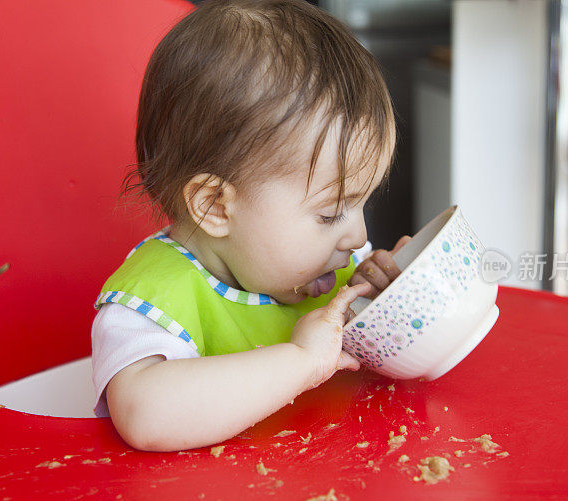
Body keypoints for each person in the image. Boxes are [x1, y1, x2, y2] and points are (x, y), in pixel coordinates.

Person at [91, 0, 411, 451]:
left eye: (361, 203)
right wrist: (301, 360)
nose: (357, 236)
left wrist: (383, 299)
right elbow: (145, 417)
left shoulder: (329, 262)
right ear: (216, 206)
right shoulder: (152, 305)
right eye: (328, 213)